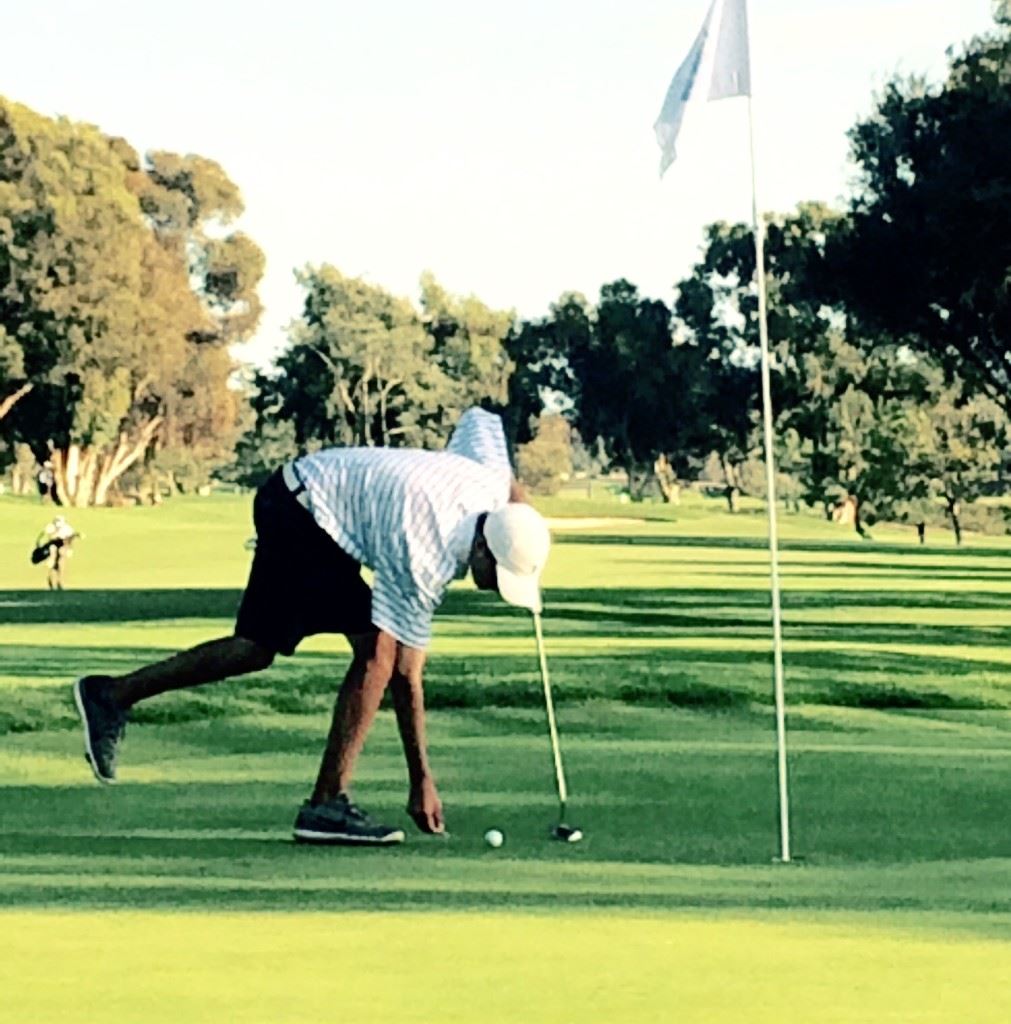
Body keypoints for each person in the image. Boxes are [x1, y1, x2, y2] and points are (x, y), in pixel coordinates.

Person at [73, 408, 551, 846]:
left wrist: (521, 513)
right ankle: (326, 803)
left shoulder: (491, 487)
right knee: (376, 652)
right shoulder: (425, 551)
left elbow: (481, 422)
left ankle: (111, 695)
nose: (496, 588)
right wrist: (421, 778)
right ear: (484, 550)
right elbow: (405, 673)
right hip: (305, 512)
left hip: (299, 497)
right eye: (501, 575)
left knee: (255, 648)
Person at [32, 515, 80, 590]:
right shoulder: (50, 527)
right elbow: (45, 536)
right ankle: (51, 580)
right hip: (52, 544)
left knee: (61, 562)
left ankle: (59, 581)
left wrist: (70, 548)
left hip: (63, 545)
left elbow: (70, 538)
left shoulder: (67, 528)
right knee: (53, 560)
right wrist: (39, 545)